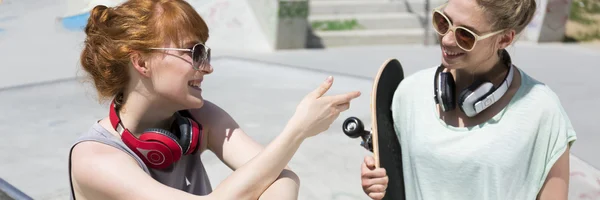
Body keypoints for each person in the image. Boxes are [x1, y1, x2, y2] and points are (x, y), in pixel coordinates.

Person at [67, 0, 361, 199]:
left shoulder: (199, 118)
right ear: (141, 62)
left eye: (205, 53)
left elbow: (281, 175)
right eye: (193, 53)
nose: (207, 67)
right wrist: (297, 131)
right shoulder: (94, 158)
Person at [360, 0, 577, 199]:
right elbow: (396, 179)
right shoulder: (409, 94)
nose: (446, 39)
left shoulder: (542, 111)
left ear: (504, 39)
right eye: (443, 22)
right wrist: (376, 181)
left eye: (465, 35)